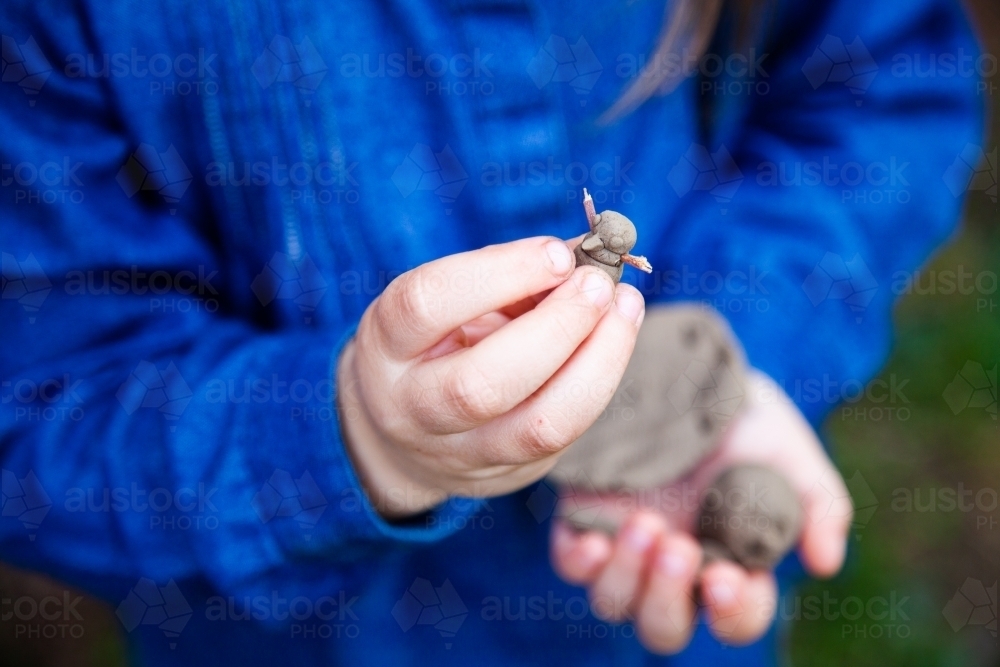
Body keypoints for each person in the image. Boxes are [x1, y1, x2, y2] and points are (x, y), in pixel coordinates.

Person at [0, 0, 982, 664]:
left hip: (654, 587)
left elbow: (884, 87)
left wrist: (736, 347)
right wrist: (349, 438)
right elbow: (40, 395)